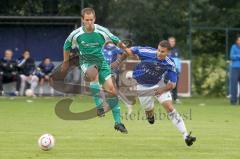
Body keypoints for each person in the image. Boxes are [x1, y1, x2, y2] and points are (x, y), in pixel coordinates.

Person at [113, 40, 196, 146]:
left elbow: (172, 84)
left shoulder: (169, 63)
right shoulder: (147, 52)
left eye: (162, 52)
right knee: (149, 113)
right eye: (158, 50)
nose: (159, 53)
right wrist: (119, 58)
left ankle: (186, 136)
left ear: (168, 53)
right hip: (142, 86)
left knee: (170, 108)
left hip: (159, 85)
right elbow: (130, 52)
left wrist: (162, 89)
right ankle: (150, 116)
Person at [62, 7, 131, 133]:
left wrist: (126, 49)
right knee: (93, 74)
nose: (89, 22)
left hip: (102, 63)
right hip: (86, 62)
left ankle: (118, 123)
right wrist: (66, 62)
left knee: (112, 91)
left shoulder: (101, 31)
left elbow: (116, 40)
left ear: (94, 19)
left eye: (91, 20)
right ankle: (99, 107)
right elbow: (66, 46)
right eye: (86, 20)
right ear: (82, 20)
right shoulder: (76, 34)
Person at [102, 42, 133, 115]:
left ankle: (126, 103)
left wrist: (117, 62)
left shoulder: (112, 47)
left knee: (113, 89)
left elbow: (126, 52)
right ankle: (124, 102)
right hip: (103, 71)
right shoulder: (101, 48)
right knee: (108, 90)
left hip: (111, 71)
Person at [168, 37, 181, 104]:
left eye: (173, 41)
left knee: (174, 85)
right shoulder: (165, 50)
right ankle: (163, 98)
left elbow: (178, 61)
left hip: (175, 71)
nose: (172, 43)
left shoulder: (177, 50)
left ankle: (175, 98)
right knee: (164, 84)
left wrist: (179, 70)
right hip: (167, 70)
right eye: (171, 41)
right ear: (168, 42)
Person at [230, 36, 240, 105]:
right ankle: (233, 101)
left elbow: (234, 56)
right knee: (234, 85)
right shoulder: (233, 47)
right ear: (236, 41)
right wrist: (239, 56)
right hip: (235, 68)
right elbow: (232, 57)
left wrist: (237, 56)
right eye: (239, 40)